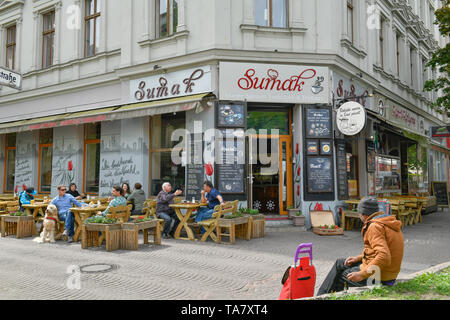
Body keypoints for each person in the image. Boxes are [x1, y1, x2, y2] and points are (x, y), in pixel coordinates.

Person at [317, 196, 404, 295]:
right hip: (388, 273)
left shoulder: (374, 227)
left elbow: (384, 256)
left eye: (359, 213)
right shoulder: (386, 222)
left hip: (381, 277)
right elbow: (377, 251)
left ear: (364, 215)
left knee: (342, 276)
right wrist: (358, 258)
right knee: (340, 263)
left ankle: (321, 296)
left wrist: (361, 275)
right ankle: (321, 295)